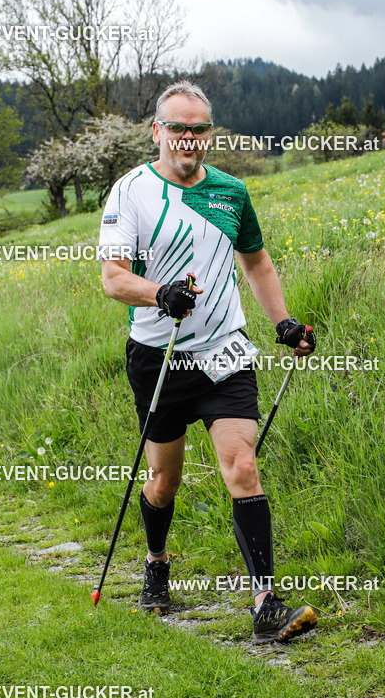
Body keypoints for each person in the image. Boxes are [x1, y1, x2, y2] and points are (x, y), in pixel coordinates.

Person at [98, 80, 318, 644]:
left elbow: (258, 263)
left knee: (242, 465)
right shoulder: (130, 193)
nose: (188, 139)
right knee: (164, 480)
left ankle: (266, 602)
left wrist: (283, 323)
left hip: (224, 351)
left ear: (209, 133)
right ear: (157, 131)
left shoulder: (232, 192)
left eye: (199, 129)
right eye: (178, 128)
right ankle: (156, 561)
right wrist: (159, 293)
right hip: (159, 356)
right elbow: (113, 277)